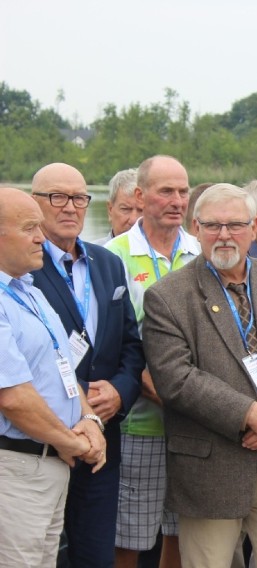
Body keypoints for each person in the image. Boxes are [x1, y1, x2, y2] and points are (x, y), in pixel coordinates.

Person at [142, 183, 257, 567]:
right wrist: (250, 414)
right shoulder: (167, 296)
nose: (224, 235)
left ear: (255, 227)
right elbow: (175, 378)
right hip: (213, 469)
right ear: (195, 228)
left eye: (235, 224)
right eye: (213, 225)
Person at [29, 163, 145, 567]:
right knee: (39, 552)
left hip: (103, 436)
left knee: (95, 555)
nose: (69, 208)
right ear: (34, 203)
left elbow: (131, 343)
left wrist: (119, 391)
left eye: (79, 198)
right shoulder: (20, 265)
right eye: (56, 197)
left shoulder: (107, 262)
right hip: (42, 436)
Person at [0, 187, 107, 567]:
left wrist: (90, 421)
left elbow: (62, 370)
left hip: (50, 466)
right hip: (15, 471)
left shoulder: (29, 291)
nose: (41, 238)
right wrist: (75, 443)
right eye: (30, 228)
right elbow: (12, 398)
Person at [105, 155, 201, 568]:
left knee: (183, 535)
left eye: (183, 191)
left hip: (196, 422)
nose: (178, 201)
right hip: (139, 424)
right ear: (141, 196)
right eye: (166, 191)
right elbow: (114, 344)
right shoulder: (112, 256)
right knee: (130, 539)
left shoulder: (203, 251)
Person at [94, 169, 143, 245]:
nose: (134, 220)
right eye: (126, 209)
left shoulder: (164, 255)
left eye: (141, 210)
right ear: (110, 210)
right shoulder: (89, 254)